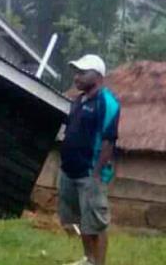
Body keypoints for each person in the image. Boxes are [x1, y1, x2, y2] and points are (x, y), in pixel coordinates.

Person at [59, 54, 120, 265]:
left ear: (98, 76)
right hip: (69, 170)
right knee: (77, 220)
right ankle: (89, 258)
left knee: (96, 223)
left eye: (82, 73)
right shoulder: (77, 100)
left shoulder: (107, 102)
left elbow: (108, 141)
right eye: (76, 72)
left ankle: (99, 263)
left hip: (90, 173)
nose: (77, 77)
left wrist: (95, 175)